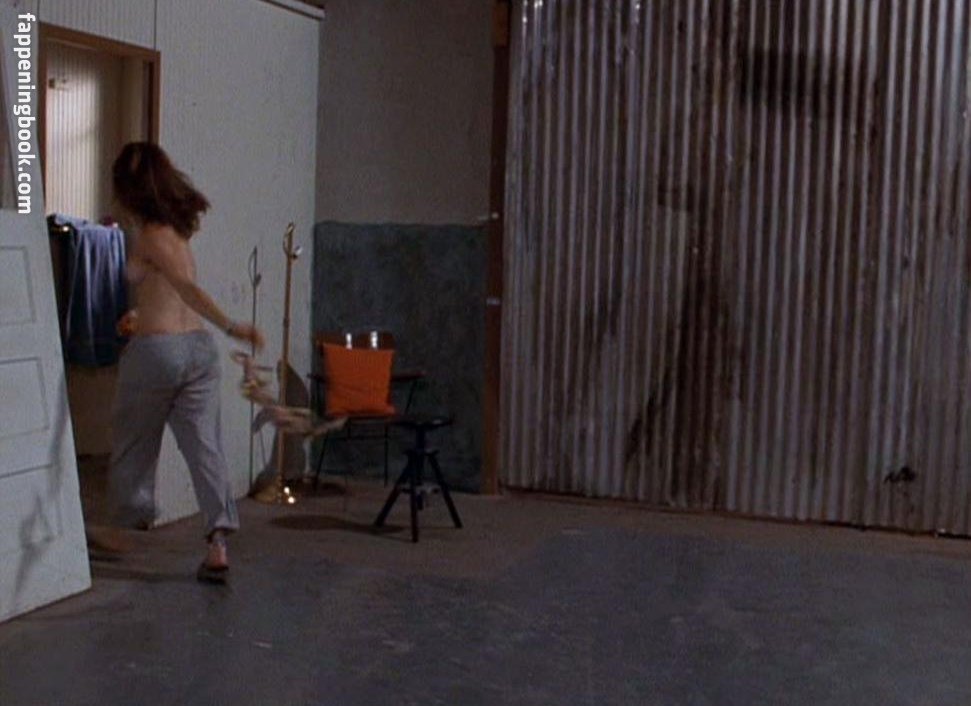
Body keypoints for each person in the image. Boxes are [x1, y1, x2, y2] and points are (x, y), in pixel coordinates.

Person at [106, 141, 264, 583]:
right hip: (196, 351)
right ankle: (218, 543)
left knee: (133, 440)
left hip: (158, 353)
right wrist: (139, 315)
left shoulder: (146, 237)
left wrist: (232, 325)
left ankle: (126, 525)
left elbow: (186, 290)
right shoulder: (176, 233)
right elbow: (166, 295)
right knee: (204, 447)